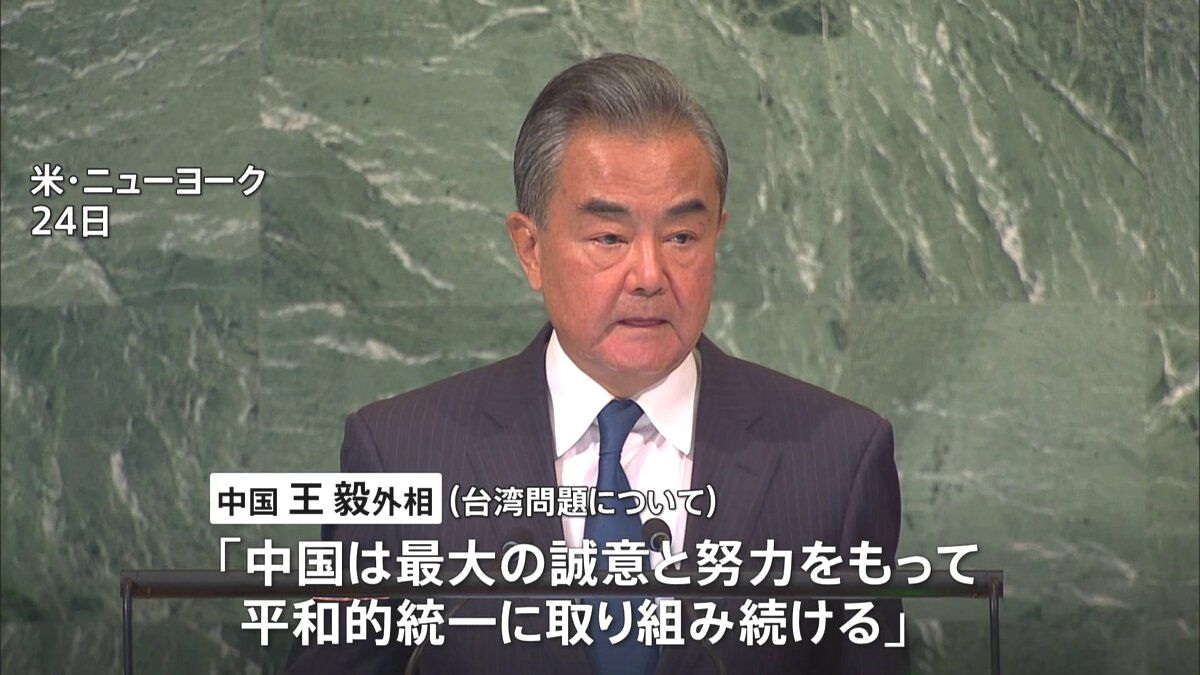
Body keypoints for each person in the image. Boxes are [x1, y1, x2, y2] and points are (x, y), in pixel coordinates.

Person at [286, 53, 906, 674]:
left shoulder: (838, 459)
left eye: (682, 237)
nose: (649, 275)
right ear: (530, 249)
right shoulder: (398, 455)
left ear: (717, 235)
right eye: (609, 238)